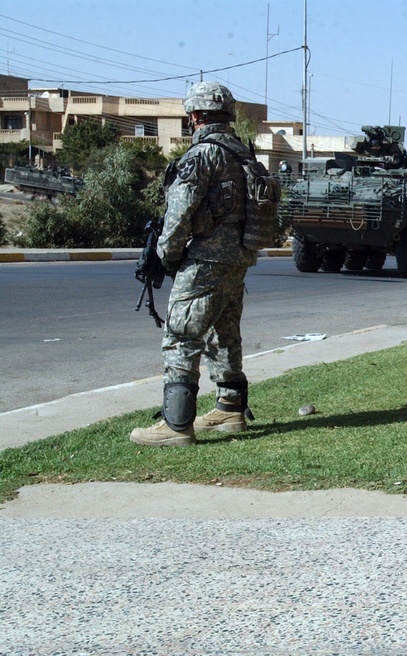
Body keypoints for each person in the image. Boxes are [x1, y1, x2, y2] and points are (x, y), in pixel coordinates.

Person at [130, 81, 259, 447]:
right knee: (224, 332)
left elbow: (179, 212)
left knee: (181, 335)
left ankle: (176, 425)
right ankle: (229, 409)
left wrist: (167, 256)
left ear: (195, 116)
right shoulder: (241, 152)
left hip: (205, 259)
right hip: (238, 259)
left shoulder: (202, 155)